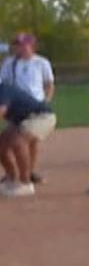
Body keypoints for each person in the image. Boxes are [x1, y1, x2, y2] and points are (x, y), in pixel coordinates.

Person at [1, 31, 55, 184]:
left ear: (32, 46)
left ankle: (29, 173)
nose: (19, 48)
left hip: (36, 105)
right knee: (14, 140)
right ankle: (13, 173)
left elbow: (49, 84)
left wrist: (46, 100)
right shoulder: (10, 63)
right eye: (17, 45)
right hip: (15, 104)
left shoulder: (42, 62)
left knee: (30, 140)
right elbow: (3, 82)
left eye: (22, 44)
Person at [0, 79, 56, 196]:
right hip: (22, 121)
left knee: (18, 142)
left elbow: (2, 111)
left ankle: (25, 183)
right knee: (2, 143)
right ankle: (11, 180)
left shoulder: (3, 89)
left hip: (42, 117)